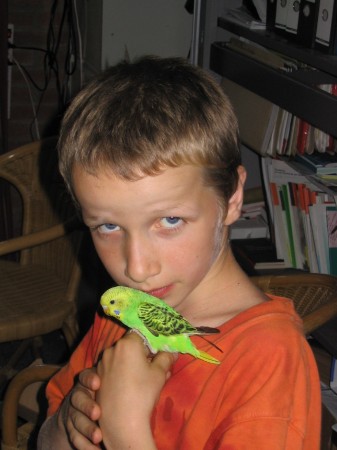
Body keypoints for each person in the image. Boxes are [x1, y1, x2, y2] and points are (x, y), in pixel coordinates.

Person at [37, 56, 321, 450]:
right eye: (108, 226)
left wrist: (127, 433)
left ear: (233, 197)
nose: (136, 268)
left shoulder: (269, 361)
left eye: (169, 220)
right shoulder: (125, 314)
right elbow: (47, 438)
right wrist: (70, 418)